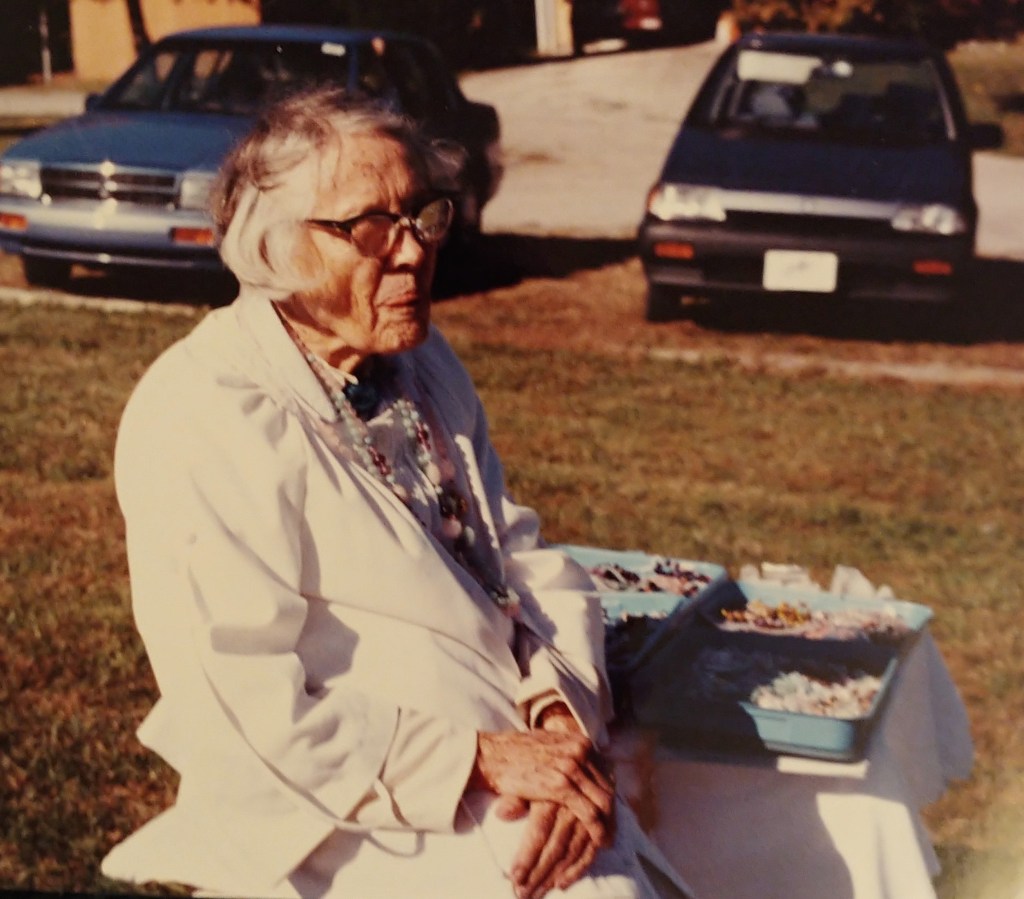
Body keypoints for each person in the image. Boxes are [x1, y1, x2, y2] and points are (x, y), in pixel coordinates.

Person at [101, 87, 694, 899]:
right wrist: (479, 759)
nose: (414, 251)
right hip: (349, 807)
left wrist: (560, 717)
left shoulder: (418, 365)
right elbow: (238, 702)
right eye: (371, 227)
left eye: (423, 216)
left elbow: (516, 559)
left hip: (513, 745)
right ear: (273, 246)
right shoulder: (207, 410)